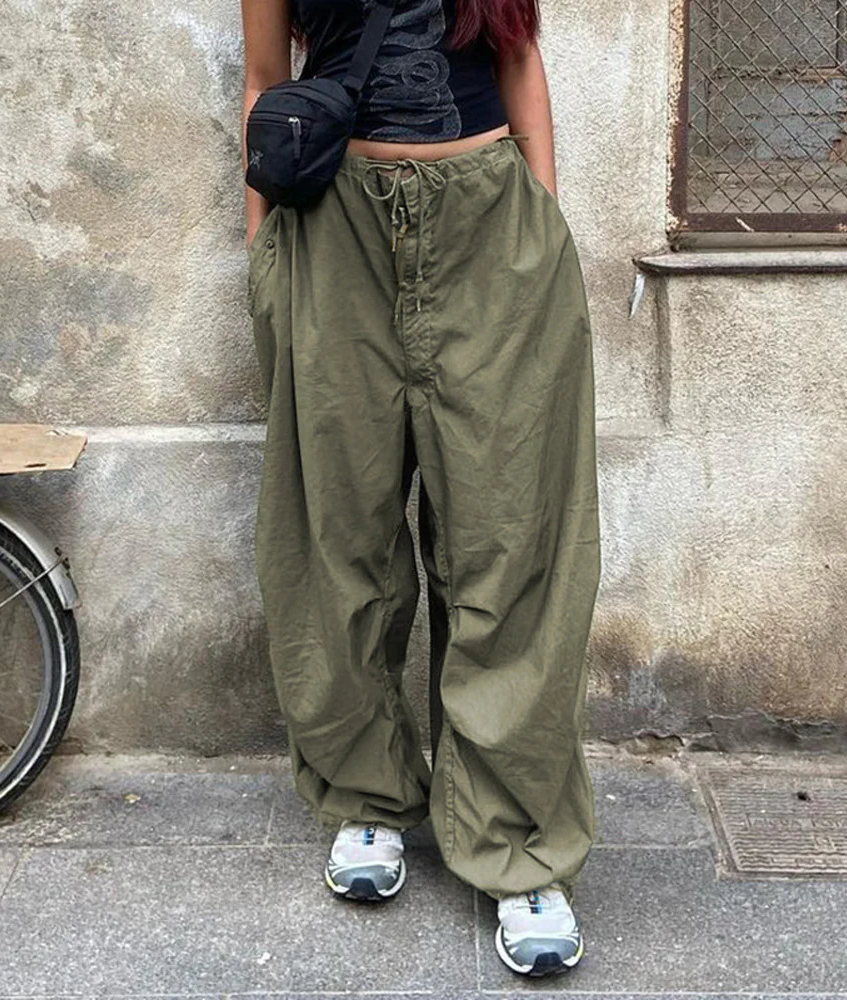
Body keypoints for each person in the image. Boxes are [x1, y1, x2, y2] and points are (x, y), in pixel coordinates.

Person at [240, 0, 601, 978]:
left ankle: (516, 839)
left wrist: (543, 225)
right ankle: (367, 799)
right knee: (338, 535)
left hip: (490, 226)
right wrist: (263, 258)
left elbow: (520, 62)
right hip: (332, 230)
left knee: (509, 540)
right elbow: (264, 81)